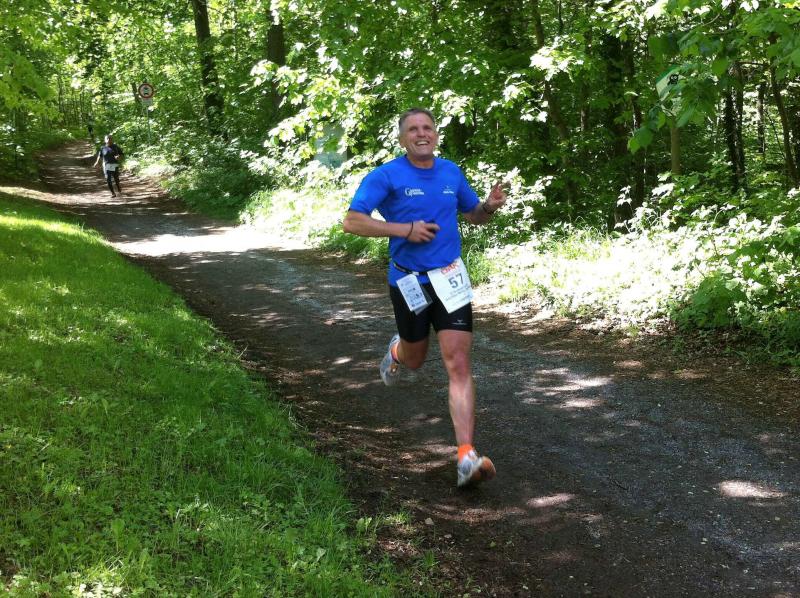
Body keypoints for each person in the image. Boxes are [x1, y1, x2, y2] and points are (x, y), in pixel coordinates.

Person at [342, 108, 507, 488]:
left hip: (450, 279)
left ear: (435, 134)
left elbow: (473, 214)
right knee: (415, 359)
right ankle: (397, 350)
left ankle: (466, 455)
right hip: (409, 282)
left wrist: (488, 207)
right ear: (402, 138)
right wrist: (405, 229)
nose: (421, 134)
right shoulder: (386, 176)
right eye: (413, 129)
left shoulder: (450, 172)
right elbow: (352, 221)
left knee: (458, 362)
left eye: (427, 128)